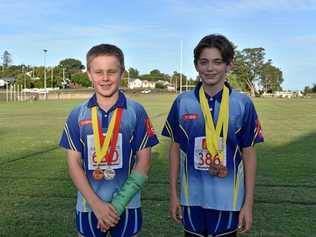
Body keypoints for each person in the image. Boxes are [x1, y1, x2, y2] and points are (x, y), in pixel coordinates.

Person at [162, 34, 264, 237]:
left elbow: (249, 154)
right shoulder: (183, 102)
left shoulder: (242, 104)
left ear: (229, 65)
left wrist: (248, 204)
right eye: (204, 62)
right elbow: (174, 150)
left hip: (229, 199)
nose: (210, 68)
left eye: (217, 62)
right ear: (196, 65)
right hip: (192, 198)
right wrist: (174, 195)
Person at [59, 44, 159, 237]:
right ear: (89, 74)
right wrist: (97, 205)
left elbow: (144, 161)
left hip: (127, 205)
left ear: (122, 72)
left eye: (111, 72)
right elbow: (73, 163)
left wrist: (118, 204)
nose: (105, 78)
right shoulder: (77, 114)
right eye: (98, 72)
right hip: (89, 206)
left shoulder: (136, 111)